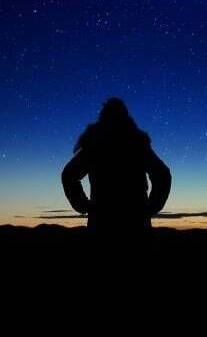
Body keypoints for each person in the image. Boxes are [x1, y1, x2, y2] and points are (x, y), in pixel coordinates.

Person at [61, 97, 171, 235]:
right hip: (135, 220)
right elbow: (162, 174)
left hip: (102, 221)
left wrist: (84, 205)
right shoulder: (137, 144)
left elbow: (69, 175)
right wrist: (151, 206)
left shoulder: (95, 144)